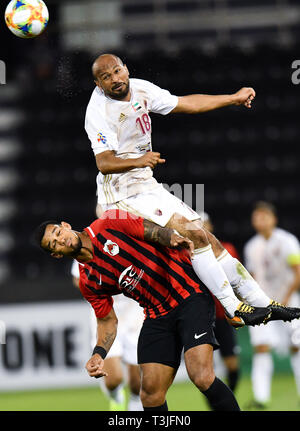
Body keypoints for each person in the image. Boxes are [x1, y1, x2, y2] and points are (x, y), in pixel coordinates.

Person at [84, 53, 300, 326]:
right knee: (193, 235)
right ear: (97, 83)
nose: (115, 79)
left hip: (146, 184)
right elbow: (103, 162)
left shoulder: (141, 88)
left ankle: (264, 303)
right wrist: (139, 160)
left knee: (209, 239)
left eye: (117, 71)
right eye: (106, 77)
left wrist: (232, 98)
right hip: (121, 193)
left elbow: (187, 104)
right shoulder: (98, 111)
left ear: (125, 68)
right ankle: (233, 309)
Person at [35, 209, 263, 411]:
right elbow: (106, 321)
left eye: (57, 233)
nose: (60, 240)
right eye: (53, 244)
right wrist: (98, 353)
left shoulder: (107, 222)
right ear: (55, 254)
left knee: (201, 377)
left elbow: (147, 228)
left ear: (65, 226)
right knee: (150, 395)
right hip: (156, 314)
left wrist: (171, 237)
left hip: (187, 294)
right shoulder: (88, 281)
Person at [244, 201, 300, 409]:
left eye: (264, 216)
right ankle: (261, 398)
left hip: (289, 304)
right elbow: (253, 278)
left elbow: (298, 272)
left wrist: (286, 299)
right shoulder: (251, 246)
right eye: (256, 217)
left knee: (297, 347)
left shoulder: (287, 241)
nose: (260, 220)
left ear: (273, 219)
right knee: (261, 348)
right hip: (264, 307)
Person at [71, 259, 143, 411]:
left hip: (134, 316)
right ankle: (116, 398)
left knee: (137, 384)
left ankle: (135, 405)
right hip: (105, 315)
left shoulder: (131, 239)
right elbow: (77, 278)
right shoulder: (88, 242)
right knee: (113, 380)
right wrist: (100, 287)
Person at [200, 212, 241, 393]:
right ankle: (217, 406)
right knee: (203, 370)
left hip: (223, 315)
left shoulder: (227, 250)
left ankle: (228, 398)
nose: (201, 228)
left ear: (211, 226)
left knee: (232, 365)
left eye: (204, 224)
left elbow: (237, 279)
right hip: (201, 317)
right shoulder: (185, 254)